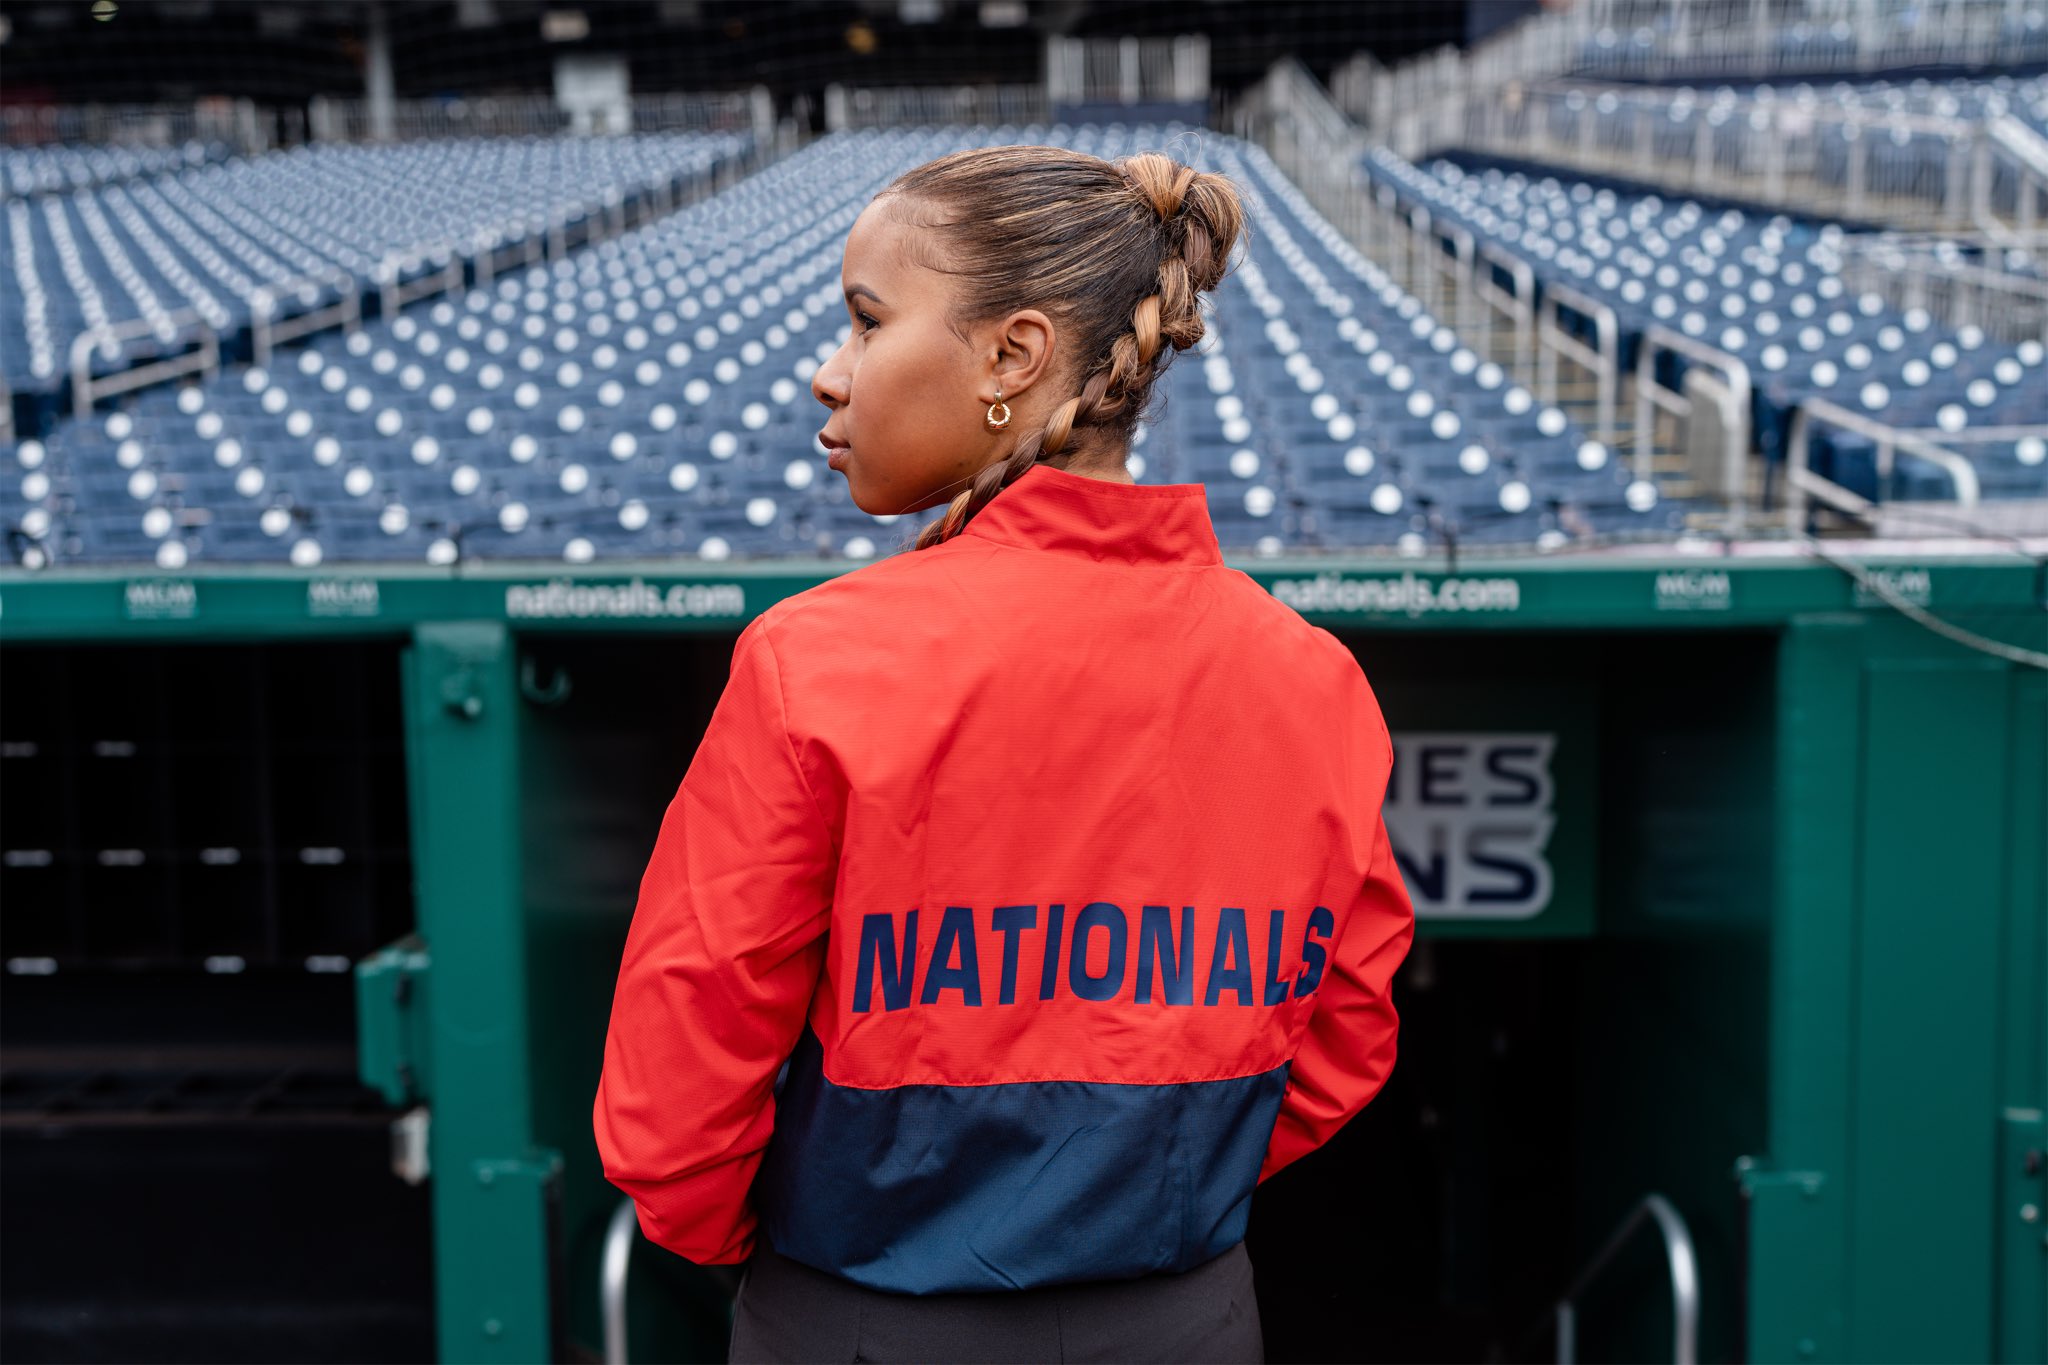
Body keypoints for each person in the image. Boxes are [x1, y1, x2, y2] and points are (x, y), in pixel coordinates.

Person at [593, 143, 1416, 1364]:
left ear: (1012, 356)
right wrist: (1135, 1198)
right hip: (1183, 1315)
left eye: (866, 324)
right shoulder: (1310, 676)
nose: (831, 375)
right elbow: (1345, 1036)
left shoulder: (812, 659)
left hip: (856, 1315)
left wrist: (785, 1259)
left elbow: (678, 1092)